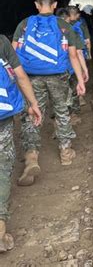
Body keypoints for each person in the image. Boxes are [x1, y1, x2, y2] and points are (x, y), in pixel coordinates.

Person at [12, 0, 85, 184]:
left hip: (31, 77)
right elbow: (72, 55)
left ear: (36, 5)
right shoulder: (63, 25)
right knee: (62, 111)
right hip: (59, 76)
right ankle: (65, 152)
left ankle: (31, 157)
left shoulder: (25, 24)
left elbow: (13, 54)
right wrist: (79, 80)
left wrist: (13, 82)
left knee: (33, 114)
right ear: (54, 5)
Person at [0, 34, 41, 252]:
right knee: (2, 167)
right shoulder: (1, 42)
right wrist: (32, 104)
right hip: (2, 114)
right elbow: (20, 76)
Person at [56, 7, 89, 123]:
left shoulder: (49, 31)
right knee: (73, 91)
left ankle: (59, 119)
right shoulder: (71, 31)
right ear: (68, 18)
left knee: (58, 94)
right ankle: (73, 115)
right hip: (70, 68)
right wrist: (85, 70)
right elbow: (78, 53)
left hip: (54, 70)